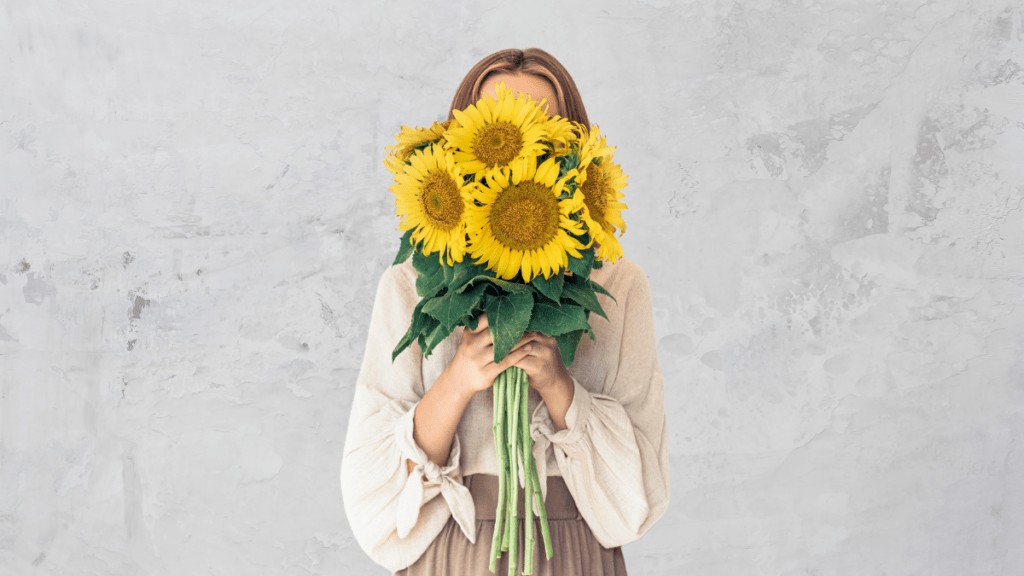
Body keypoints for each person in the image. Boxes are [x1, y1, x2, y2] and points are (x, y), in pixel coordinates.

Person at [340, 47, 669, 575]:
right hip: (447, 552)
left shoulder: (618, 286)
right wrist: (459, 378)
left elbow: (639, 498)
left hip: (576, 556)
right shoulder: (412, 285)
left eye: (543, 128)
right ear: (461, 143)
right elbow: (371, 500)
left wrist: (558, 385)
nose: (522, 148)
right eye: (500, 125)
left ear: (575, 146)